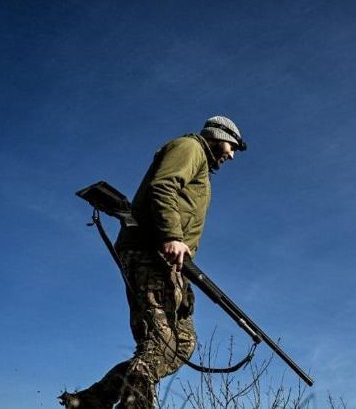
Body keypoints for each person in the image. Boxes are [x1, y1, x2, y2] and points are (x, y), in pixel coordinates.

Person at [60, 116, 247, 409]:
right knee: (158, 341)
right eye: (232, 145)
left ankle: (93, 399)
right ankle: (135, 403)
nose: (232, 154)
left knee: (182, 344)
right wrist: (172, 235)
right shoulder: (190, 148)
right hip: (149, 252)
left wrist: (183, 282)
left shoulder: (202, 169)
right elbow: (163, 187)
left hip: (170, 264)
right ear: (218, 134)